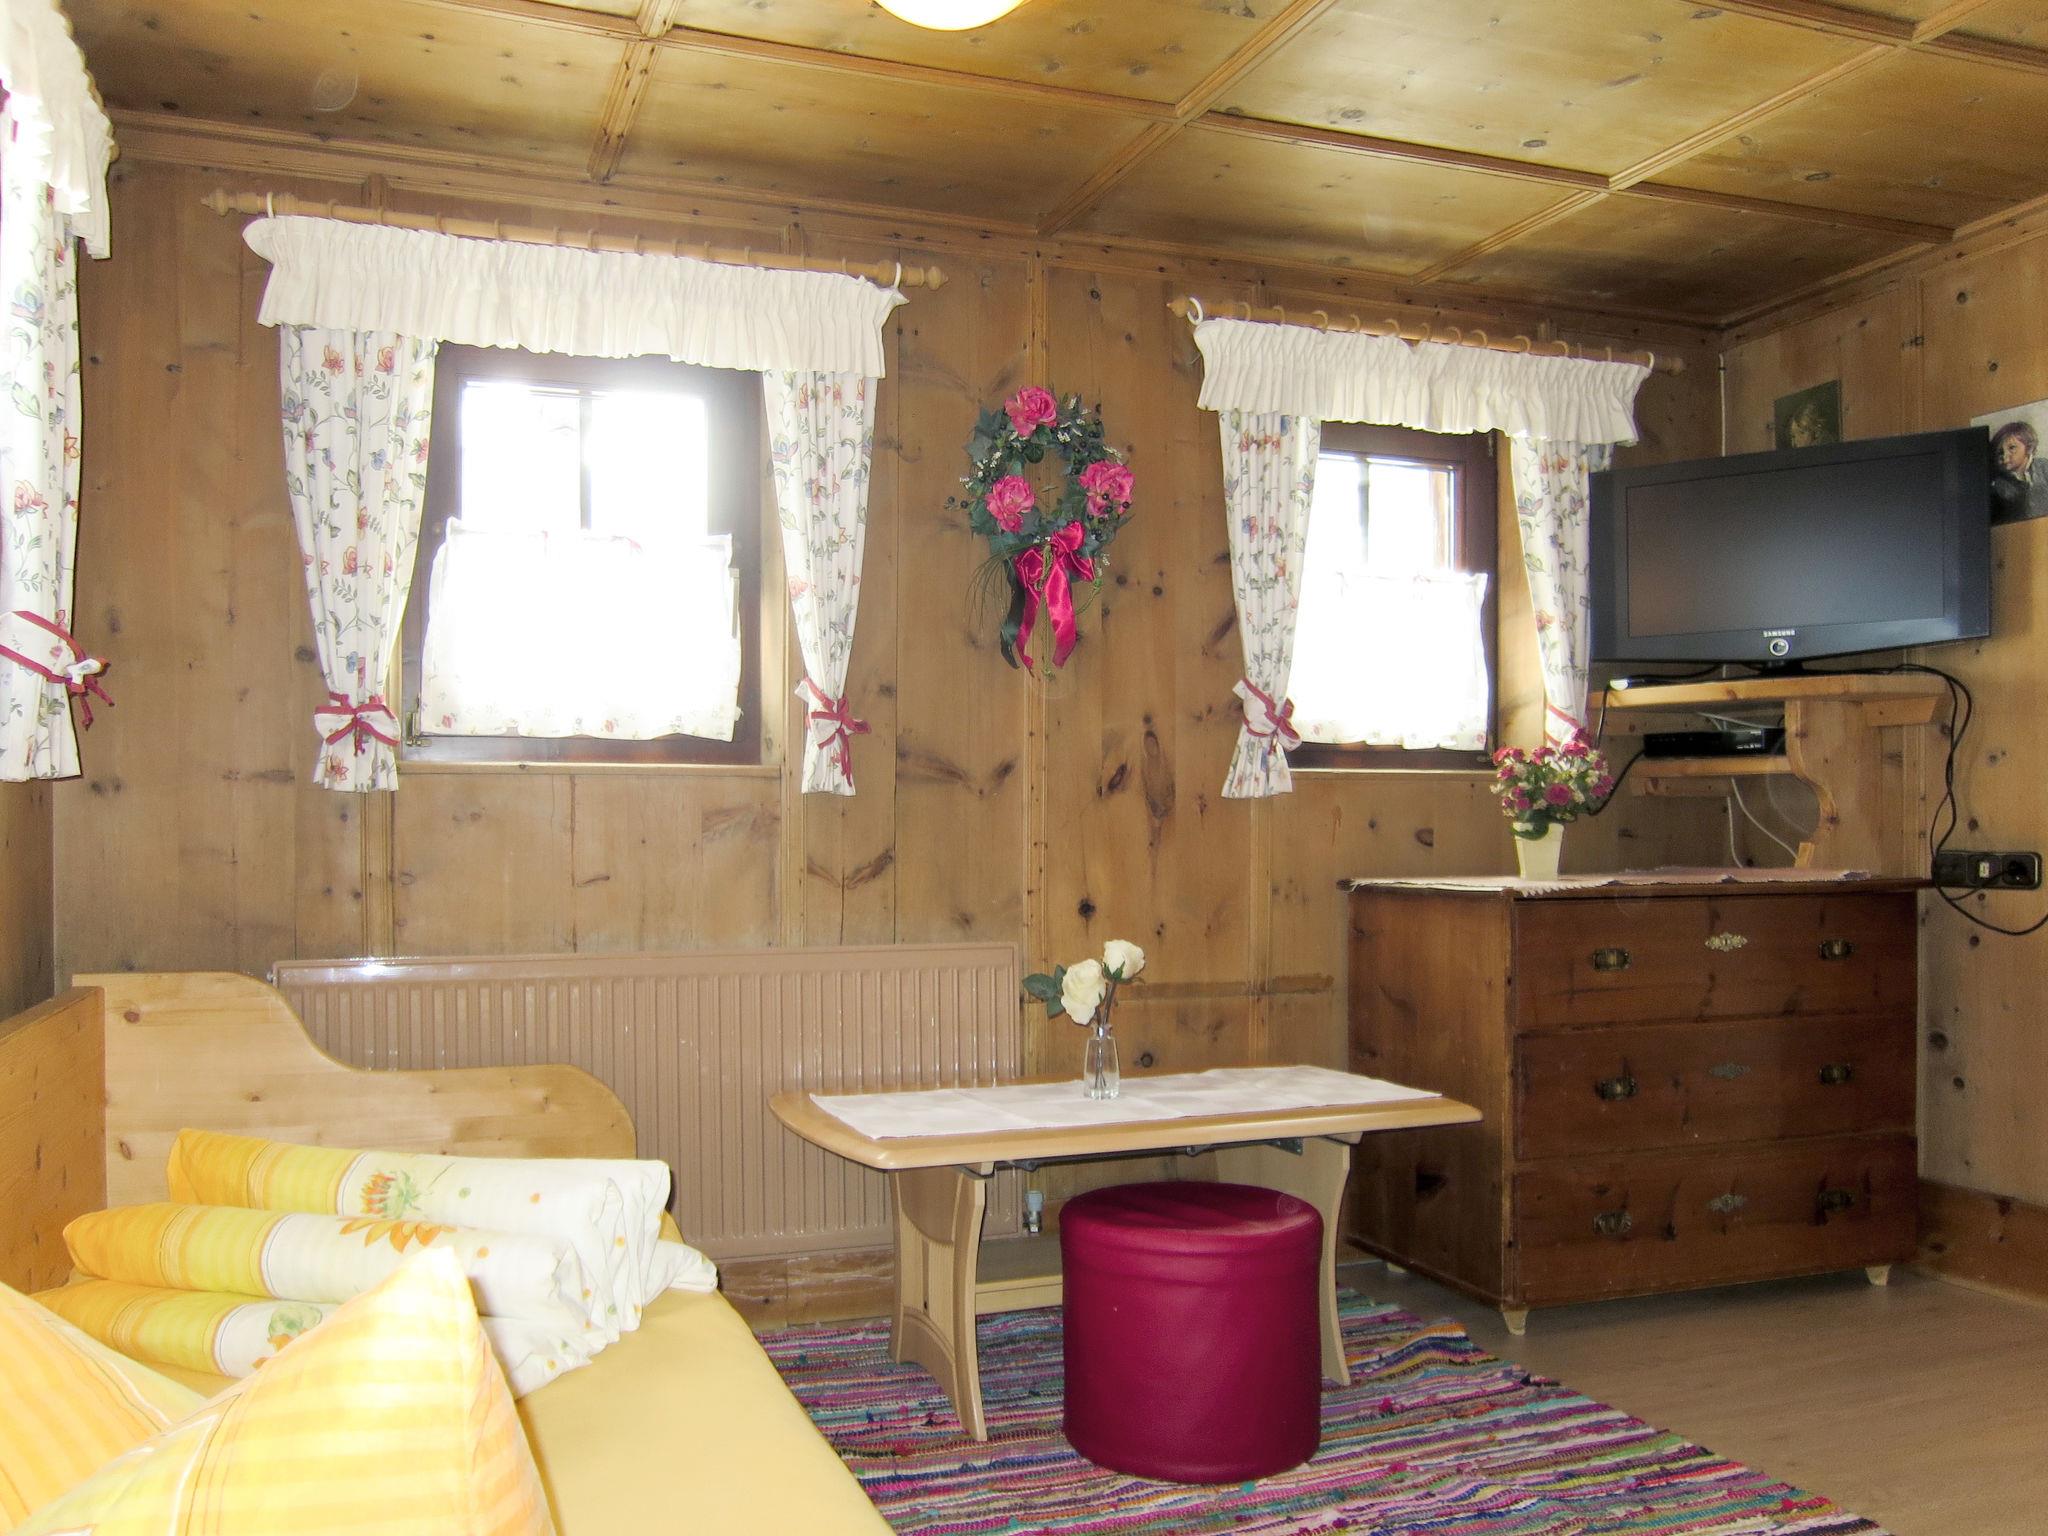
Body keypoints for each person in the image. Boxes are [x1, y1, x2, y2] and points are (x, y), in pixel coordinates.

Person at [1990, 419, 2048, 522]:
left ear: (2029, 448)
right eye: (2000, 452)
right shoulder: (1999, 485)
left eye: (2012, 448)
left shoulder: (2044, 467)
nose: (2005, 456)